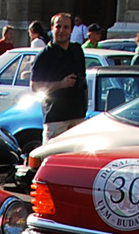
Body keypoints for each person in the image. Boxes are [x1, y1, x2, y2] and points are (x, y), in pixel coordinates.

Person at [30, 11, 85, 144]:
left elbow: (83, 79)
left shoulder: (77, 50)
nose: (62, 31)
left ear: (72, 29)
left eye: (66, 27)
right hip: (56, 118)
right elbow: (34, 86)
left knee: (75, 160)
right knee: (52, 159)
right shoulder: (44, 55)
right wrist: (61, 84)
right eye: (58, 27)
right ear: (52, 29)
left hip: (78, 116)